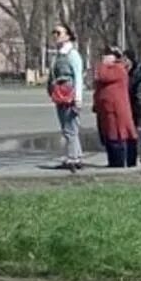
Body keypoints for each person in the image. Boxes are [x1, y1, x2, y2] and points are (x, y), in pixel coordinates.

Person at [46, 24, 84, 171]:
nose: (55, 35)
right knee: (66, 127)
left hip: (70, 93)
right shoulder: (58, 54)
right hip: (59, 94)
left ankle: (73, 158)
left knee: (71, 127)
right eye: (54, 32)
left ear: (68, 35)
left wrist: (78, 98)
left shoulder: (73, 54)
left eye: (58, 32)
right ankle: (77, 156)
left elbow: (78, 77)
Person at [94, 47, 138, 167]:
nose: (104, 57)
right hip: (106, 109)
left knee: (118, 136)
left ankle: (120, 163)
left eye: (107, 55)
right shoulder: (110, 68)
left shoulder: (118, 69)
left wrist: (103, 65)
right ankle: (113, 161)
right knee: (109, 136)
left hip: (116, 110)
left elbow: (102, 76)